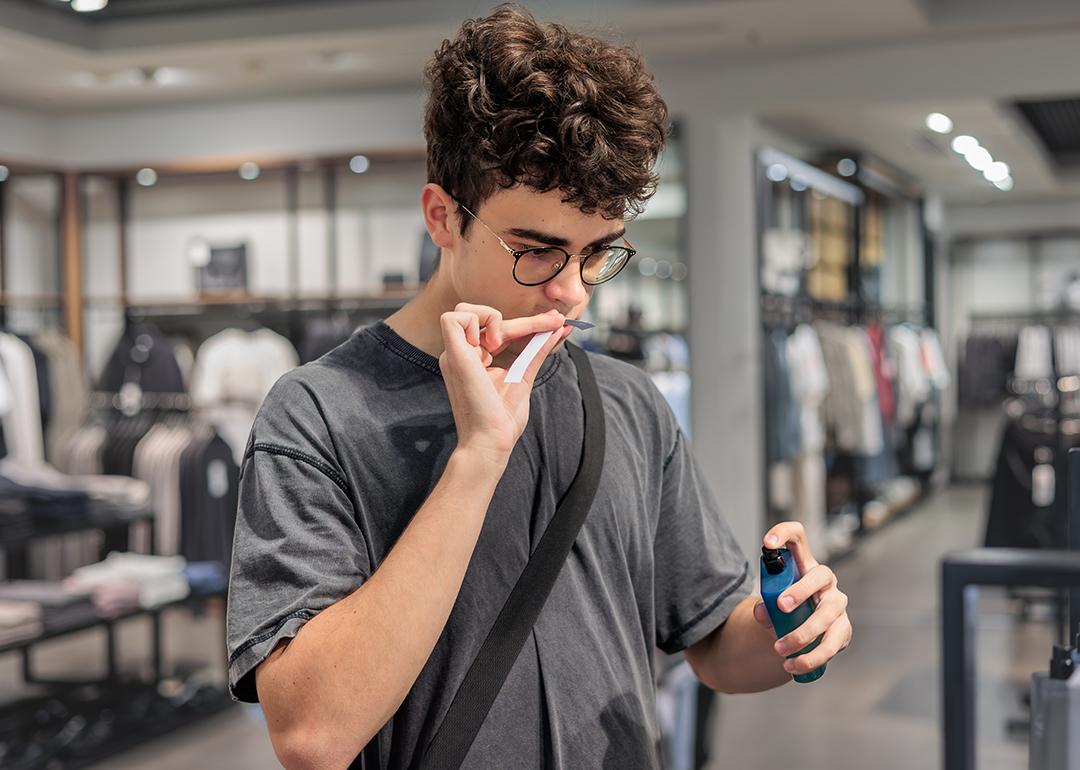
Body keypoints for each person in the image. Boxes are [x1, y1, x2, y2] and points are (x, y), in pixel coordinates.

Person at [225, 5, 852, 769]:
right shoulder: (318, 414)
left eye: (596, 255)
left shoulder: (625, 402)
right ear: (443, 218)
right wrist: (478, 457)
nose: (574, 293)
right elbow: (312, 735)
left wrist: (784, 629)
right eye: (537, 252)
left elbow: (716, 644)